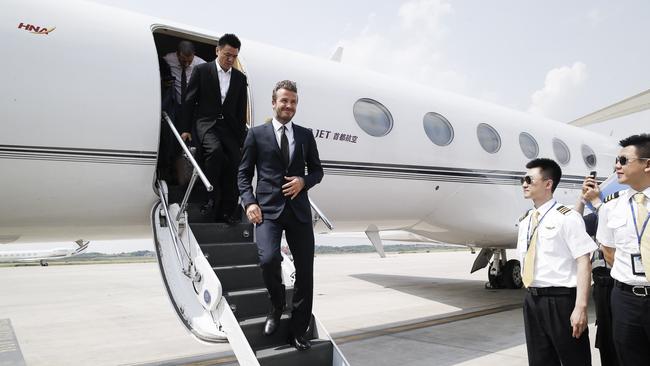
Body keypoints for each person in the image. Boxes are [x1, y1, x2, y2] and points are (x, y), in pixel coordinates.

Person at [238, 80, 323, 350]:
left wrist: (303, 181)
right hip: (268, 211)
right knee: (269, 259)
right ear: (273, 102)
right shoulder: (256, 134)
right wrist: (249, 202)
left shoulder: (306, 135)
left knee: (305, 273)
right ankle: (276, 305)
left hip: (298, 211)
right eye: (284, 101)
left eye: (293, 102)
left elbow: (318, 172)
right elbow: (243, 174)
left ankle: (298, 331)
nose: (289, 106)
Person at [517, 158, 597, 366]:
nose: (524, 184)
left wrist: (580, 307)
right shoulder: (526, 220)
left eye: (528, 179)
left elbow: (583, 261)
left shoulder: (567, 217)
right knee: (539, 360)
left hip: (561, 302)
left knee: (574, 360)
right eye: (522, 180)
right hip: (532, 300)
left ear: (548, 183)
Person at [181, 34, 248, 222]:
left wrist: (241, 138)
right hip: (207, 124)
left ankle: (228, 209)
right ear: (217, 50)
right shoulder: (202, 71)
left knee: (235, 163)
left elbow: (240, 110)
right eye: (227, 55)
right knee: (216, 152)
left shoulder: (240, 79)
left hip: (229, 128)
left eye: (234, 56)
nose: (230, 59)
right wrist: (185, 128)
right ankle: (209, 199)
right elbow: (189, 100)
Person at [596, 133, 650, 366]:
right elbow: (608, 250)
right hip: (625, 300)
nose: (617, 166)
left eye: (624, 160)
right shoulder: (611, 207)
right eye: (616, 161)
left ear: (647, 164)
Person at [575, 175, 619, 366]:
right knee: (607, 338)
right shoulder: (594, 218)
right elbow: (574, 223)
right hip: (602, 284)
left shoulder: (621, 214)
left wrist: (598, 202)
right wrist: (583, 199)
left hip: (622, 282)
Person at [163, 40, 205, 110]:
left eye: (190, 61)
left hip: (192, 106)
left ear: (194, 54)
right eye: (184, 61)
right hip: (173, 105)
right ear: (177, 54)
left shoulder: (202, 65)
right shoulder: (168, 59)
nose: (187, 64)